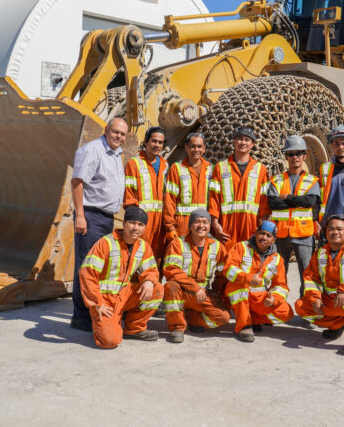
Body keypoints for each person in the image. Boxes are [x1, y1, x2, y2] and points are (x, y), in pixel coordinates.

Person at [70, 117, 127, 332]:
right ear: (106, 130)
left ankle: (93, 312)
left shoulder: (115, 154)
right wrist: (81, 216)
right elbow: (77, 182)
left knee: (99, 267)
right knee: (86, 268)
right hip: (91, 216)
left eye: (122, 134)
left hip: (106, 218)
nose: (118, 137)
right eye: (115, 132)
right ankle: (81, 318)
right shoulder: (93, 150)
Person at [78, 207, 164, 349]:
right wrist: (97, 303)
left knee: (157, 289)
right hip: (104, 300)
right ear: (124, 224)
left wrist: (149, 280)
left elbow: (151, 269)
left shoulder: (143, 246)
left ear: (144, 228)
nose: (135, 228)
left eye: (140, 225)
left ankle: (134, 329)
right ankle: (102, 324)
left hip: (124, 295)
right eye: (132, 222)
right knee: (110, 341)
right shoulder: (106, 243)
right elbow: (87, 274)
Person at [295, 215, 344, 356]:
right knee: (301, 306)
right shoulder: (320, 253)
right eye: (331, 229)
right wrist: (314, 298)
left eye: (339, 229)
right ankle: (337, 325)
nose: (335, 232)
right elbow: (310, 277)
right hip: (329, 301)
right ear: (326, 232)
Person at [162, 209, 231, 343]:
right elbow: (171, 269)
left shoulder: (217, 247)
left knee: (223, 317)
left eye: (205, 222)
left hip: (202, 295)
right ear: (190, 226)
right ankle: (177, 327)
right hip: (182, 292)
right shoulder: (178, 243)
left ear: (210, 226)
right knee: (170, 286)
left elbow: (223, 272)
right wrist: (195, 288)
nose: (201, 226)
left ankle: (193, 318)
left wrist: (217, 290)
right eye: (196, 222)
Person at [266, 135, 320, 298]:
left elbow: (309, 202)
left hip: (303, 235)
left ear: (304, 156)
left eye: (298, 153)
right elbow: (273, 204)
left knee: (307, 275)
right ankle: (276, 306)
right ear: (286, 157)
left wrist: (288, 197)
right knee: (278, 274)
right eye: (291, 154)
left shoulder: (311, 180)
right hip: (280, 235)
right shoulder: (276, 180)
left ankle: (307, 309)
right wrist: (298, 202)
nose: (295, 157)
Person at [223, 221, 293, 342]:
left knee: (286, 312)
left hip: (258, 298)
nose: (264, 238)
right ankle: (244, 326)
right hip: (240, 292)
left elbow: (281, 285)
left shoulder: (278, 259)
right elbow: (228, 269)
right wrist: (247, 278)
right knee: (239, 289)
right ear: (255, 234)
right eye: (261, 233)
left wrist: (274, 299)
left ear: (273, 240)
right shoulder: (241, 247)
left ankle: (252, 319)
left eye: (268, 236)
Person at [208, 127, 270, 249]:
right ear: (234, 141)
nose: (243, 142)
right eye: (240, 139)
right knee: (226, 264)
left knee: (248, 262)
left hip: (251, 227)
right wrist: (215, 225)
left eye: (247, 140)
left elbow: (264, 202)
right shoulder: (221, 167)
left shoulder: (260, 170)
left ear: (252, 144)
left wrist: (263, 227)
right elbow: (213, 199)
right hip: (226, 228)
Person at [124, 126, 168, 263]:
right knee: (139, 255)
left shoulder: (165, 165)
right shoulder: (134, 164)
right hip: (142, 220)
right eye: (154, 141)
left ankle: (155, 283)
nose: (157, 145)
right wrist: (135, 221)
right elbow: (129, 194)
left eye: (160, 143)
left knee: (158, 256)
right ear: (146, 143)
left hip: (161, 221)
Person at [163, 133, 212, 242]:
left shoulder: (210, 169)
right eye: (193, 146)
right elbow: (170, 200)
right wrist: (170, 227)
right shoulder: (177, 168)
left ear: (204, 149)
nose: (196, 149)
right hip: (182, 226)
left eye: (199, 147)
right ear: (186, 148)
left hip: (203, 225)